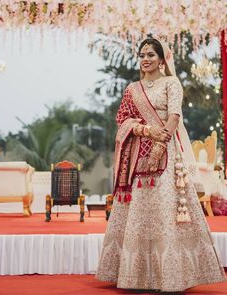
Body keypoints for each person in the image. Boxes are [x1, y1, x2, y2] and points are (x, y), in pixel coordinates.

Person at [96, 38, 226, 292]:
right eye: (142, 55)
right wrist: (146, 131)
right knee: (140, 211)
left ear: (162, 59)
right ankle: (137, 275)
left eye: (151, 55)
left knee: (165, 210)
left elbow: (175, 115)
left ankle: (171, 275)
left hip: (166, 155)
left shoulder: (171, 83)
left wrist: (160, 143)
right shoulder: (132, 88)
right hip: (137, 155)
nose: (145, 59)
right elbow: (122, 119)